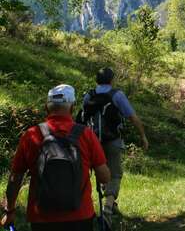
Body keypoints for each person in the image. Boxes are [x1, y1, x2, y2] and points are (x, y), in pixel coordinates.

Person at [1, 84, 110, 231]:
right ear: (72, 107)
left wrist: (10, 211)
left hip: (42, 218)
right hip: (80, 216)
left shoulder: (31, 135)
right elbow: (104, 177)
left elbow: (15, 178)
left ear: (47, 107)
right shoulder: (86, 134)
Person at [81, 67, 149, 225]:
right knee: (115, 174)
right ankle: (107, 209)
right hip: (112, 141)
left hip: (91, 142)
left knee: (99, 172)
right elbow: (132, 117)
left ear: (96, 80)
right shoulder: (117, 95)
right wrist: (143, 136)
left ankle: (106, 204)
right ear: (112, 80)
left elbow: (82, 118)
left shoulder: (89, 95)